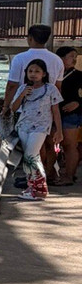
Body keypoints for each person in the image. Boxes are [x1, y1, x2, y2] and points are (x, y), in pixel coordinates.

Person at [2, 24, 65, 180]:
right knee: (48, 143)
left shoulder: (20, 58)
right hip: (48, 109)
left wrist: (6, 107)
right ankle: (47, 174)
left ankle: (36, 178)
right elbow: (58, 87)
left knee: (32, 149)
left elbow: (12, 85)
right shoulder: (57, 60)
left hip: (26, 110)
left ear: (29, 38)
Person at [10, 58, 63, 200]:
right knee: (33, 158)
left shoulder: (50, 89)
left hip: (41, 127)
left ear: (44, 74)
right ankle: (33, 187)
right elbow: (14, 108)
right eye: (30, 71)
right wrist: (22, 95)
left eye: (37, 71)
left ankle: (40, 189)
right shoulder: (23, 88)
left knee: (30, 156)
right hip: (24, 125)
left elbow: (56, 111)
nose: (33, 74)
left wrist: (59, 131)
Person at [54, 46, 81, 185]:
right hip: (53, 113)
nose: (75, 59)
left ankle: (69, 176)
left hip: (71, 114)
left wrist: (78, 103)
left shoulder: (78, 75)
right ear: (61, 58)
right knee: (51, 144)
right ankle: (52, 173)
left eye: (75, 56)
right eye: (71, 56)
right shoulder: (51, 74)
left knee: (70, 145)